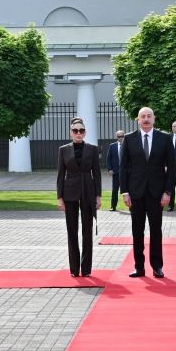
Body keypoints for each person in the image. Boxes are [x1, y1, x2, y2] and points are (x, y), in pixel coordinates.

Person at [120, 107, 175, 278]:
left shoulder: (164, 138)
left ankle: (157, 266)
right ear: (138, 119)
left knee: (156, 230)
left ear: (154, 119)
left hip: (156, 193)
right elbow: (123, 167)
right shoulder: (129, 139)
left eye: (149, 116)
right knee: (137, 231)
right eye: (143, 116)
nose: (146, 119)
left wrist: (167, 192)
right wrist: (125, 192)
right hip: (135, 193)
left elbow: (172, 167)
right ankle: (139, 267)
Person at [57, 117, 102, 277]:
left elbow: (97, 174)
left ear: (85, 132)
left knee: (87, 230)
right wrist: (59, 197)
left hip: (88, 190)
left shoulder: (92, 149)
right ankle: (74, 269)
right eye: (75, 130)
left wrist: (98, 196)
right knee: (72, 230)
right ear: (71, 132)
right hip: (69, 192)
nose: (78, 133)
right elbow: (60, 174)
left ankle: (86, 269)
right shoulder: (63, 150)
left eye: (81, 130)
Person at [106, 130, 125, 211]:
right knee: (115, 190)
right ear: (116, 137)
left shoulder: (128, 145)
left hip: (126, 172)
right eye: (119, 136)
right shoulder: (112, 146)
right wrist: (110, 169)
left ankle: (132, 207)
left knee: (129, 190)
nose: (120, 138)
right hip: (116, 172)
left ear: (124, 136)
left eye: (122, 136)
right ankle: (113, 206)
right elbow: (108, 158)